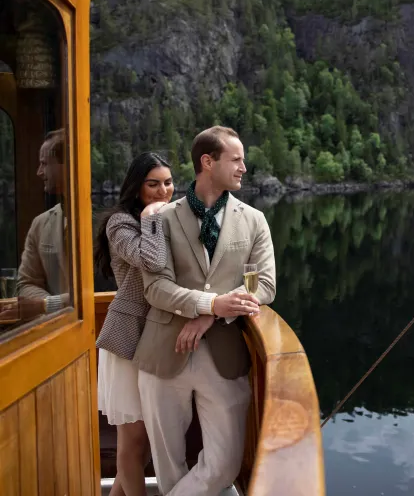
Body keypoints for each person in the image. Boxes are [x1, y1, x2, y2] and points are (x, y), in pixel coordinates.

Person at [134, 126, 276, 496]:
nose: (244, 167)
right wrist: (210, 302)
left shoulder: (254, 220)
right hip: (164, 351)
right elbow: (155, 287)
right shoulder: (159, 220)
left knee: (225, 464)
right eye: (236, 159)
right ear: (207, 162)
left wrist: (212, 313)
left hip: (226, 356)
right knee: (167, 465)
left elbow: (264, 287)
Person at [94, 152, 214, 496]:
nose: (163, 191)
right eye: (153, 184)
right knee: (133, 443)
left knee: (144, 445)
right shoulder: (120, 224)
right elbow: (152, 260)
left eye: (168, 182)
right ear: (136, 187)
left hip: (158, 337)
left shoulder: (171, 218)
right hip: (128, 338)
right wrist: (149, 219)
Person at [15, 129, 69, 321]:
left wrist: (46, 305)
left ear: (66, 165)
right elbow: (26, 283)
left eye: (44, 164)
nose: (39, 172)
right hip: (54, 331)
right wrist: (52, 308)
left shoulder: (108, 222)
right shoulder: (40, 223)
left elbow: (102, 293)